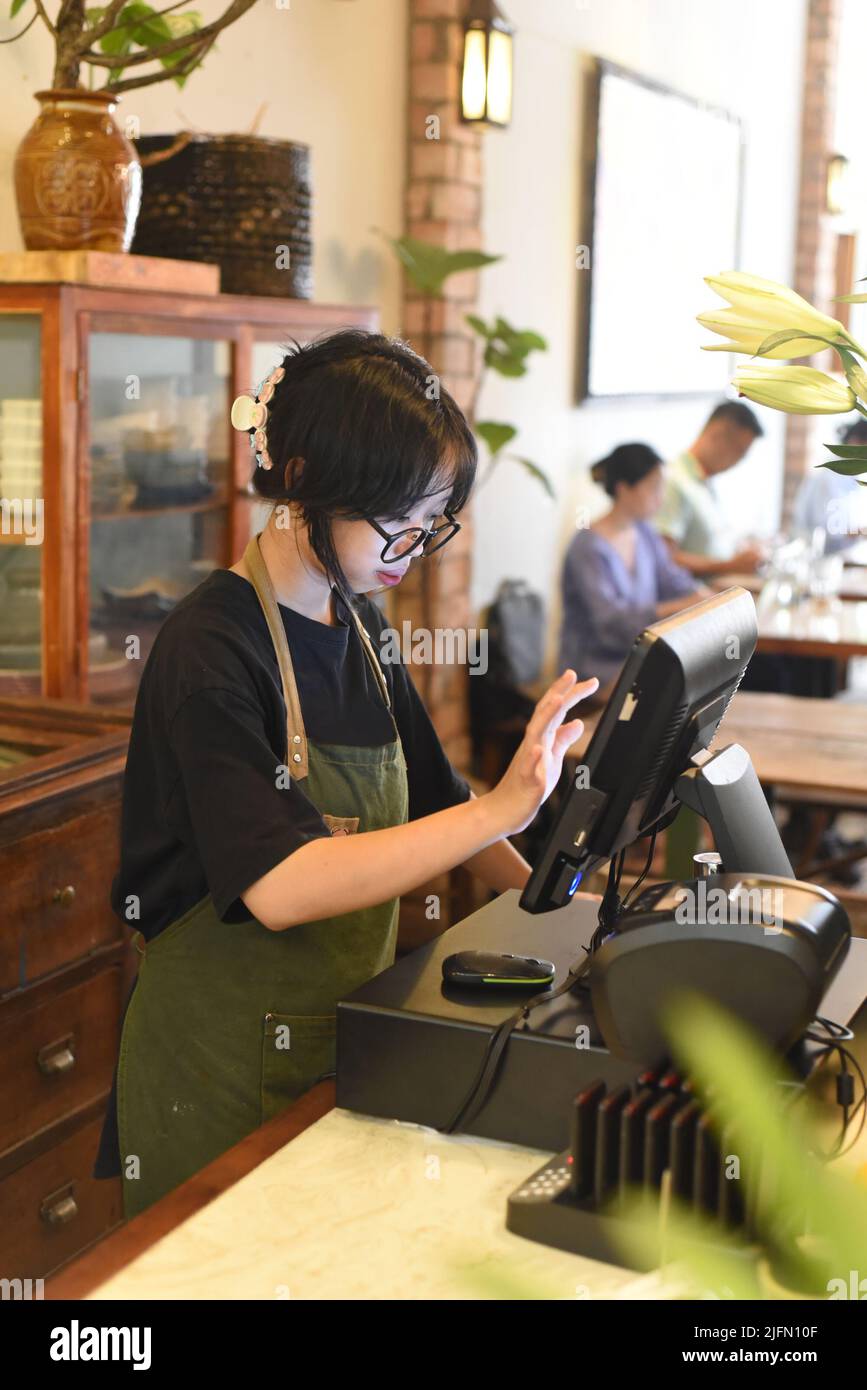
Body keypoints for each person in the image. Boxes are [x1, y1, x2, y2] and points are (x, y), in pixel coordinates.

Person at [93, 328, 599, 1219]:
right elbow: (279, 885)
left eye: (429, 521)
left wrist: (566, 912)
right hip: (212, 1065)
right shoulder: (211, 648)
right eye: (395, 518)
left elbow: (446, 809)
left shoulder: (358, 625)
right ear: (301, 484)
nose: (412, 546)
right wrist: (507, 808)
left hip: (342, 1032)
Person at [558, 444, 711, 706]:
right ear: (623, 488)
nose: (660, 498)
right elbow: (609, 625)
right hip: (594, 671)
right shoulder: (587, 547)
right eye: (653, 487)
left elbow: (672, 581)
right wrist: (677, 606)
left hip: (637, 661)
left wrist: (705, 596)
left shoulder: (645, 534)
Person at [656, 400, 767, 577]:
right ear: (717, 435)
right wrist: (730, 565)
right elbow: (664, 559)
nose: (738, 462)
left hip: (721, 589)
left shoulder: (703, 481)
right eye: (739, 451)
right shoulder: (674, 481)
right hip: (698, 598)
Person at [791, 416, 867, 553]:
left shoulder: (854, 479)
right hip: (817, 560)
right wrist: (855, 533)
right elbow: (820, 532)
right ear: (855, 442)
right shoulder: (827, 477)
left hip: (842, 559)